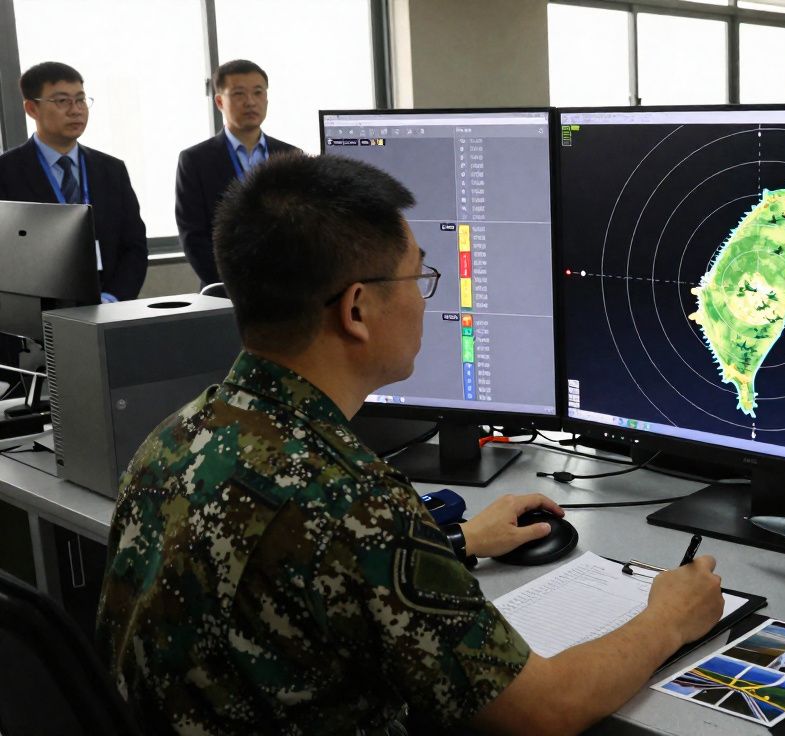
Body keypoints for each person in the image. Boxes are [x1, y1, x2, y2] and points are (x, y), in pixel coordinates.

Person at [96, 153, 725, 735]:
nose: (427, 300)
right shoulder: (355, 503)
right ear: (358, 310)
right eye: (418, 276)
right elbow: (545, 709)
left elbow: (296, 574)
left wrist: (454, 542)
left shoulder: (178, 436)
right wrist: (668, 617)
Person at [0, 61, 146, 303]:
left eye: (80, 100)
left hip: (108, 310)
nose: (76, 110)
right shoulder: (7, 172)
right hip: (35, 320)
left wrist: (113, 297)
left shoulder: (111, 170)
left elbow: (134, 246)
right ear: (31, 108)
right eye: (62, 101)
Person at [176, 59, 299, 287]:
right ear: (220, 101)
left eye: (258, 92)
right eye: (239, 94)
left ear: (267, 98)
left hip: (288, 290)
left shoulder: (291, 155)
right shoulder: (195, 161)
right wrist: (235, 285)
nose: (250, 102)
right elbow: (193, 237)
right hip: (224, 291)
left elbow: (302, 228)